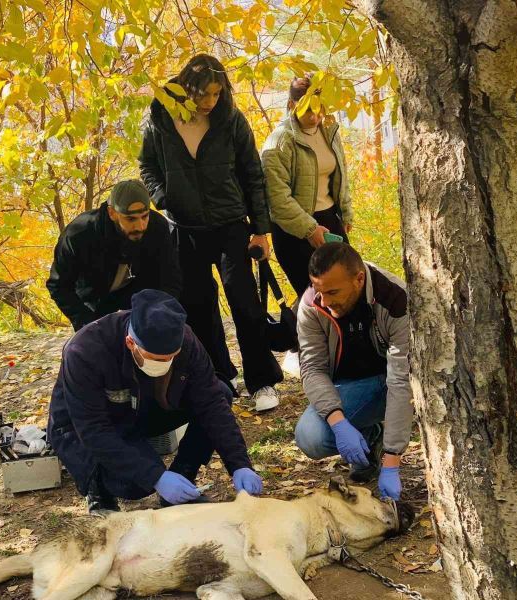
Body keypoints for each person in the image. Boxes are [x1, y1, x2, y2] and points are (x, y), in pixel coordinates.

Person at [139, 53, 283, 412]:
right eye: (203, 93)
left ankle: (262, 381)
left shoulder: (231, 119)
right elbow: (147, 165)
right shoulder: (159, 116)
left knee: (245, 303)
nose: (209, 101)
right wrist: (162, 198)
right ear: (186, 87)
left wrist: (261, 231)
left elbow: (253, 174)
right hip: (183, 229)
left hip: (230, 225)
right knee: (199, 307)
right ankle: (220, 377)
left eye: (217, 94)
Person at [47, 288, 263, 513]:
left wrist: (239, 464)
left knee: (222, 392)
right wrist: (155, 476)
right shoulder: (85, 350)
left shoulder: (186, 340)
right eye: (156, 359)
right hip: (93, 426)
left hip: (143, 408)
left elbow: (212, 403)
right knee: (135, 484)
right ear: (131, 343)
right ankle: (98, 490)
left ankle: (182, 478)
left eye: (171, 357)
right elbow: (93, 430)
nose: (165, 363)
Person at [293, 243, 414, 501]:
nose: (325, 301)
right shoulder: (312, 304)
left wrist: (393, 460)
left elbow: (401, 381)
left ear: (359, 279)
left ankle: (383, 446)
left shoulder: (394, 299)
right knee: (311, 436)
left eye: (333, 291)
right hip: (349, 384)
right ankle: (370, 440)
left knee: (395, 383)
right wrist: (339, 423)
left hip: (389, 382)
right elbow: (312, 369)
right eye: (319, 290)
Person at [261, 75, 353, 300]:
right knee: (317, 301)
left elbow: (341, 173)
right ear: (292, 105)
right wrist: (310, 230)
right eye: (308, 111)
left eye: (320, 109)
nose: (315, 117)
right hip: (294, 231)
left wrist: (346, 211)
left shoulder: (329, 131)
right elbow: (277, 199)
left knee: (349, 291)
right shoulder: (280, 141)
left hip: (330, 221)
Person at [45, 179, 181, 331]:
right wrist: (86, 323)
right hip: (93, 304)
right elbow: (58, 285)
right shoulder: (79, 234)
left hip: (140, 300)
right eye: (130, 219)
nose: (140, 226)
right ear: (112, 213)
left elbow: (170, 278)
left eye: (145, 216)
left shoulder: (157, 228)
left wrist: (159, 312)